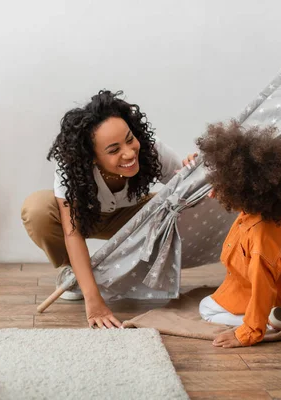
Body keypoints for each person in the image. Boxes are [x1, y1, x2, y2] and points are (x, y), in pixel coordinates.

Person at [21, 90, 197, 329]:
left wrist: (192, 173)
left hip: (137, 219)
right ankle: (75, 274)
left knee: (175, 206)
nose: (128, 152)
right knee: (37, 209)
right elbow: (72, 233)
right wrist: (94, 302)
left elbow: (188, 188)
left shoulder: (151, 151)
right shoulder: (71, 169)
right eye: (114, 150)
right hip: (87, 218)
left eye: (129, 139)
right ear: (92, 157)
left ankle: (130, 273)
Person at [195, 120, 281, 348]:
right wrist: (225, 190)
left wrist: (248, 331)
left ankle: (270, 320)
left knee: (206, 307)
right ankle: (280, 313)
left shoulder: (257, 240)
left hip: (261, 296)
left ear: (238, 188)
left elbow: (263, 286)